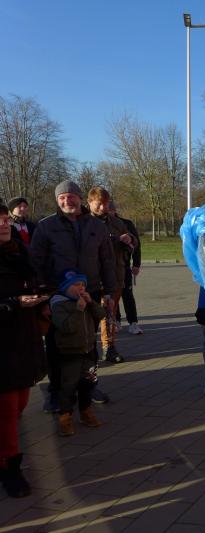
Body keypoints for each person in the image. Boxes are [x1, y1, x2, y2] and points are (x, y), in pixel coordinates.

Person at [29, 180, 117, 410]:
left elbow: (107, 261)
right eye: (62, 197)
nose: (67, 200)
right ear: (57, 200)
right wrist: (43, 297)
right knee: (56, 346)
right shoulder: (46, 226)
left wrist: (109, 292)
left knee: (88, 344)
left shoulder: (96, 226)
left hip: (90, 293)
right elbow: (36, 263)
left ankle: (88, 387)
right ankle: (56, 392)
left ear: (79, 198)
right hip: (58, 296)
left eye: (71, 196)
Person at [0, 203, 48, 497]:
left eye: (5, 219)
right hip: (2, 345)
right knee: (7, 410)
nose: (3, 224)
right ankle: (9, 467)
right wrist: (13, 304)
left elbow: (33, 281)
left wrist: (41, 298)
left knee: (19, 403)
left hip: (24, 339)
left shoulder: (19, 252)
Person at [49, 270, 106, 437]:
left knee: (87, 383)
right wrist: (78, 309)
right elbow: (66, 327)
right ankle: (65, 417)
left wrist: (91, 303)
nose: (81, 288)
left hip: (88, 350)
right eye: (76, 285)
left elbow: (101, 315)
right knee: (68, 386)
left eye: (83, 285)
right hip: (70, 352)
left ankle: (85, 411)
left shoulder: (85, 301)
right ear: (66, 287)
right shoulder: (59, 304)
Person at [87, 187, 135, 363]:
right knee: (90, 316)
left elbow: (133, 240)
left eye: (106, 204)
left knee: (109, 313)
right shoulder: (84, 223)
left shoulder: (116, 222)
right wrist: (114, 240)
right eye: (99, 204)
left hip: (115, 275)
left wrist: (129, 239)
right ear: (90, 203)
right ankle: (89, 350)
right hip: (92, 277)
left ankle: (109, 348)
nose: (103, 208)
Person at [108, 202, 143, 335]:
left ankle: (133, 323)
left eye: (110, 210)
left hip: (124, 265)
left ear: (114, 210)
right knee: (112, 295)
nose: (107, 212)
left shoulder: (126, 224)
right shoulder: (100, 224)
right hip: (107, 267)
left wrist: (136, 264)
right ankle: (116, 321)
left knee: (127, 294)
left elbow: (137, 245)